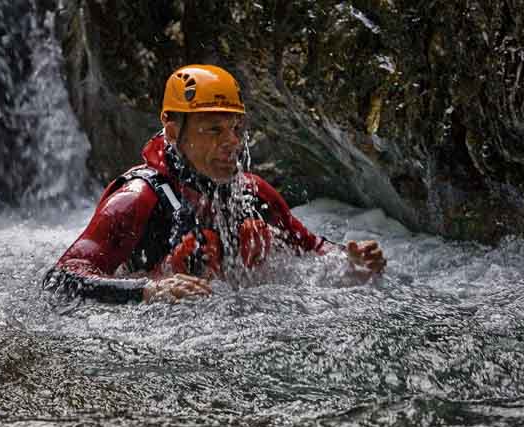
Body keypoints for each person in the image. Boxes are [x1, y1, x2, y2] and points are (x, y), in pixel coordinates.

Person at [44, 65, 386, 303]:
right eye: (213, 130)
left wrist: (351, 259)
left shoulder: (251, 191)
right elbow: (61, 279)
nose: (232, 143)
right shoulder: (136, 199)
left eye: (235, 129)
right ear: (174, 131)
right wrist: (144, 291)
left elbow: (312, 249)